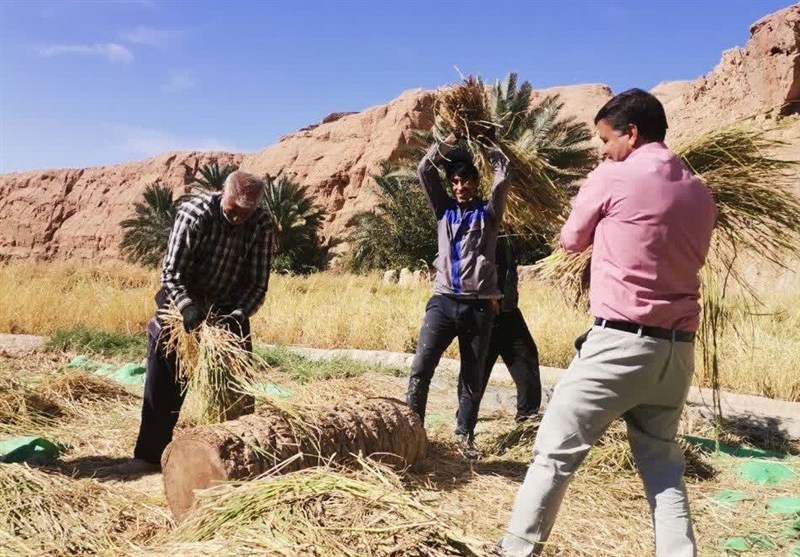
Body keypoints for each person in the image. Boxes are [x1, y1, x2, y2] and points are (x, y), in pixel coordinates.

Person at [499, 89, 717, 557]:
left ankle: (514, 550)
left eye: (605, 139)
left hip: (620, 344)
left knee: (554, 454)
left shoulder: (612, 176)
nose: (602, 149)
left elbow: (571, 240)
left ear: (631, 133)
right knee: (661, 465)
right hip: (676, 352)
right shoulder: (700, 190)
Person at [129, 170, 273, 472]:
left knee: (235, 389)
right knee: (164, 382)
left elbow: (257, 285)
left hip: (228, 308)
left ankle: (236, 459)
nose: (237, 220)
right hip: (183, 302)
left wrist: (237, 315)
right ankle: (149, 457)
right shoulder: (195, 213)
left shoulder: (261, 224)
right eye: (233, 211)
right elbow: (171, 274)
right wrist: (188, 309)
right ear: (224, 194)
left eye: (245, 214)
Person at [406, 132, 510, 459]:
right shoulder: (443, 211)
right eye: (455, 181)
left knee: (472, 376)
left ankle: (464, 437)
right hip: (443, 301)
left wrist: (485, 141)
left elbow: (504, 171)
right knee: (421, 367)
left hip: (478, 307)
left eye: (466, 180)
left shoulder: (489, 214)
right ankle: (413, 432)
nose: (461, 185)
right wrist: (448, 141)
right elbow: (424, 169)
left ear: (476, 182)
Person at [479, 235, 542, 421]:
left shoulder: (511, 236)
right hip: (484, 313)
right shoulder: (481, 227)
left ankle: (527, 414)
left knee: (527, 356)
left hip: (508, 310)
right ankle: (466, 419)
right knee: (478, 367)